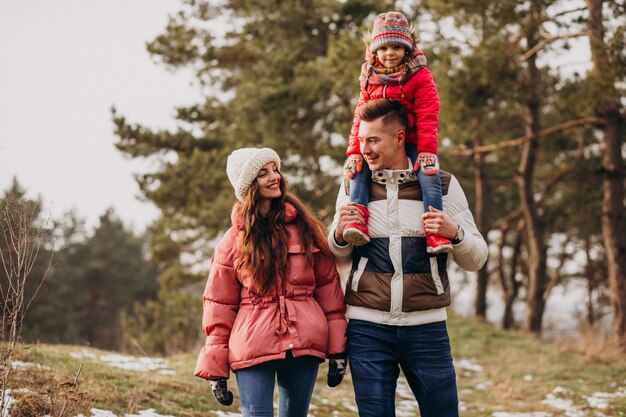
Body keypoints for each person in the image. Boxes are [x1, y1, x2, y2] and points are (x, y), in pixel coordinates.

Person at [328, 99, 488, 417]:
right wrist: (338, 235)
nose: (365, 149)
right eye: (361, 140)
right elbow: (335, 255)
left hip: (427, 329)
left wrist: (454, 232)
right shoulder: (352, 185)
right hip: (367, 329)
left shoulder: (442, 185)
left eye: (373, 140)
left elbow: (477, 259)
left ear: (400, 138)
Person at [194, 147, 348, 417]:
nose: (274, 177)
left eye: (275, 169)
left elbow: (329, 291)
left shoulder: (305, 229)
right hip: (253, 346)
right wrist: (215, 369)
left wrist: (338, 349)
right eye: (263, 173)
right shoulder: (232, 242)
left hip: (304, 345)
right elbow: (219, 306)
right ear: (249, 185)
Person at [342, 11, 452, 254]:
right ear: (374, 51)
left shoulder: (419, 75)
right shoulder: (369, 76)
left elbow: (428, 114)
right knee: (357, 170)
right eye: (383, 49)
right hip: (378, 141)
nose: (389, 54)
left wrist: (426, 151)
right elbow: (360, 116)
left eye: (395, 47)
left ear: (407, 48)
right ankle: (356, 217)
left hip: (412, 139)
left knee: (429, 176)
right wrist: (354, 151)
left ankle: (434, 230)